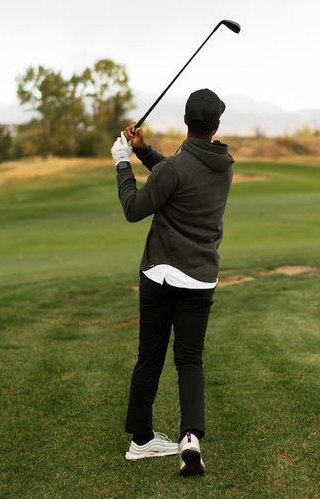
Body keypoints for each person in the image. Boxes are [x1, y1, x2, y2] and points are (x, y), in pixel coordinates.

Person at [111, 88, 234, 476]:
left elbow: (135, 209)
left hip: (159, 275)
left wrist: (122, 163)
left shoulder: (175, 168)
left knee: (150, 355)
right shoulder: (224, 165)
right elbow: (175, 175)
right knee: (189, 360)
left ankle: (142, 440)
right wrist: (144, 152)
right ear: (216, 126)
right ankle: (190, 439)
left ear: (185, 121)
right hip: (199, 280)